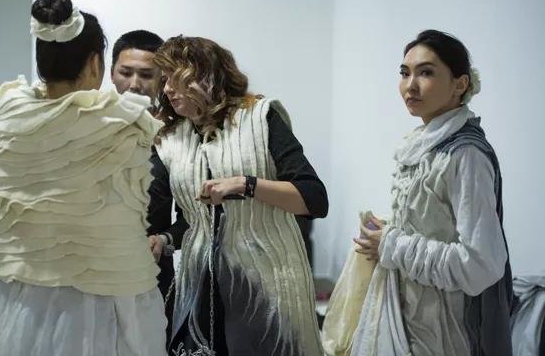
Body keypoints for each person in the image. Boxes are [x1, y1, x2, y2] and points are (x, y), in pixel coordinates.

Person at [0, 0, 166, 356]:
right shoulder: (122, 124)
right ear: (95, 63)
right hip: (104, 297)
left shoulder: (6, 120)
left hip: (17, 295)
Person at [148, 35, 329, 356]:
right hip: (202, 285)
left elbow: (313, 198)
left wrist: (245, 184)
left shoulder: (259, 118)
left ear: (206, 75)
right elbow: (195, 221)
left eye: (175, 78)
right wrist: (164, 239)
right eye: (164, 80)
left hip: (266, 282)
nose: (167, 89)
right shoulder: (170, 142)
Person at [348, 30, 513, 355]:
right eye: (404, 73)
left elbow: (481, 264)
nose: (410, 85)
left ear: (460, 84)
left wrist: (393, 244)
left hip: (446, 332)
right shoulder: (423, 145)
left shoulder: (465, 155)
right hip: (411, 318)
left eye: (425, 73)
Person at [111, 29, 190, 348]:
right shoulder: (89, 128)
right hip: (93, 272)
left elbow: (193, 216)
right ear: (110, 72)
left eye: (146, 75)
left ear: (163, 79)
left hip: (152, 273)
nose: (134, 84)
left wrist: (165, 240)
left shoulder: (177, 137)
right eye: (125, 72)